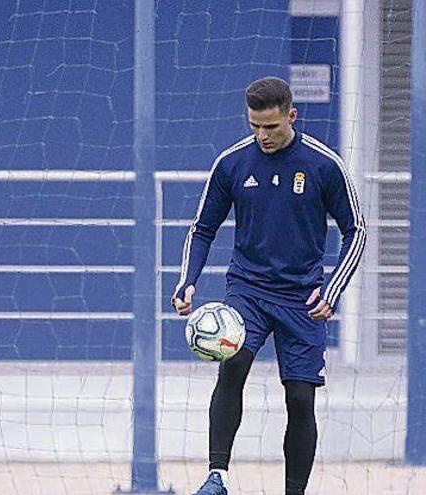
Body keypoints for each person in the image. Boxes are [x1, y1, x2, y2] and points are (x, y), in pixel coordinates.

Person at [172, 77, 366, 495]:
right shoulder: (232, 163)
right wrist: (188, 281)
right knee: (233, 363)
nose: (262, 136)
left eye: (271, 127)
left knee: (299, 397)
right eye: (254, 126)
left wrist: (332, 290)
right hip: (248, 290)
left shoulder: (323, 164)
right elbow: (202, 228)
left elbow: (357, 230)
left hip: (303, 297)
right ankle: (216, 477)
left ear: (291, 116)